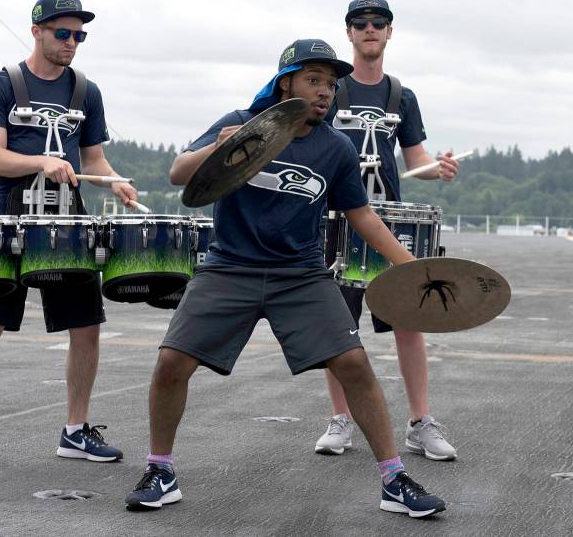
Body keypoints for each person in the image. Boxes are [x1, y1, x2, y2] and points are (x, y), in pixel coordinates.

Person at [123, 39, 446, 519]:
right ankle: (160, 469)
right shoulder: (242, 121)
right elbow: (178, 174)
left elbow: (362, 215)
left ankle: (394, 478)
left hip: (300, 274)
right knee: (171, 363)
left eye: (331, 84)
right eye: (313, 80)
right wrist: (221, 145)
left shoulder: (335, 148)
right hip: (229, 266)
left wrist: (411, 266)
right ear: (285, 82)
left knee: (354, 364)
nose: (325, 92)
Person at [0, 0, 138, 468]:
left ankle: (75, 431)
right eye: (63, 33)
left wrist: (116, 184)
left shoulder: (85, 92)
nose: (72, 42)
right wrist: (42, 161)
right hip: (6, 210)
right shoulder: (0, 85)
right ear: (36, 31)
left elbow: (92, 159)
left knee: (86, 326)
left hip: (66, 215)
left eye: (79, 35)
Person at [314, 0, 461, 461]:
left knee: (408, 323)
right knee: (338, 326)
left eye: (378, 23)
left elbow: (414, 161)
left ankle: (421, 423)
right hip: (335, 221)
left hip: (388, 222)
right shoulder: (332, 91)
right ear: (350, 33)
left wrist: (437, 169)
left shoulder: (402, 96)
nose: (370, 29)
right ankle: (340, 420)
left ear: (390, 33)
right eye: (361, 24)